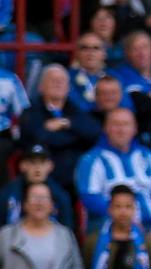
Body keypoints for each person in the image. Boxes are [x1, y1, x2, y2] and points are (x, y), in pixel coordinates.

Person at [75, 108, 151, 238]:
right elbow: (90, 198)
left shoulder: (149, 156)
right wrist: (126, 221)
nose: (121, 130)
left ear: (135, 129)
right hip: (110, 224)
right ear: (106, 128)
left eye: (126, 124)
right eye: (116, 125)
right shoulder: (91, 159)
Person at [0, 182, 83, 269]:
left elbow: (77, 267)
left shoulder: (65, 235)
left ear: (52, 205)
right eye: (34, 198)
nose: (39, 203)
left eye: (44, 198)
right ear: (24, 204)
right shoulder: (7, 235)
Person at [18, 64, 102, 192]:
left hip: (77, 175)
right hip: (45, 179)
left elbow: (94, 131)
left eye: (62, 81)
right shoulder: (30, 112)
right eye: (53, 80)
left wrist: (65, 123)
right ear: (41, 87)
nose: (58, 84)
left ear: (68, 88)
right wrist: (75, 136)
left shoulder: (75, 110)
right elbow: (41, 137)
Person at [0, 145, 73, 229]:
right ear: (22, 166)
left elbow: (66, 231)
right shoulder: (7, 193)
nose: (37, 168)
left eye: (42, 162)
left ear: (50, 166)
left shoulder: (61, 197)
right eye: (32, 162)